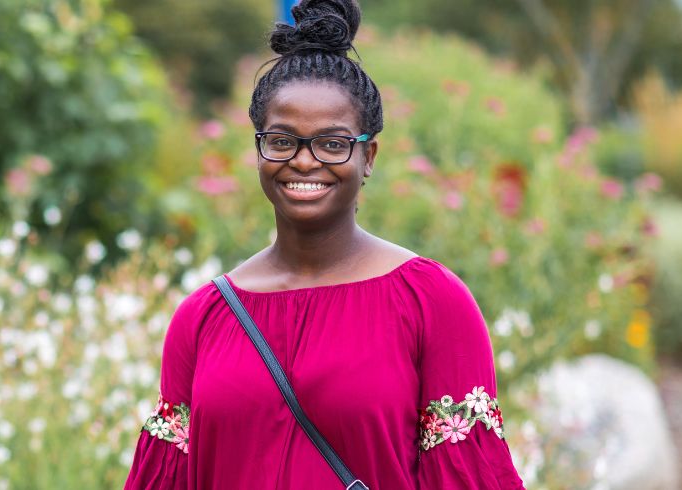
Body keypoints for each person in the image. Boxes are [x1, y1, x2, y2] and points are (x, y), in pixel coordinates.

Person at [122, 0, 527, 488]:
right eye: (282, 140)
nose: (304, 161)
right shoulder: (204, 317)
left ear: (368, 155)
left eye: (333, 143)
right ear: (259, 150)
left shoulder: (431, 303)